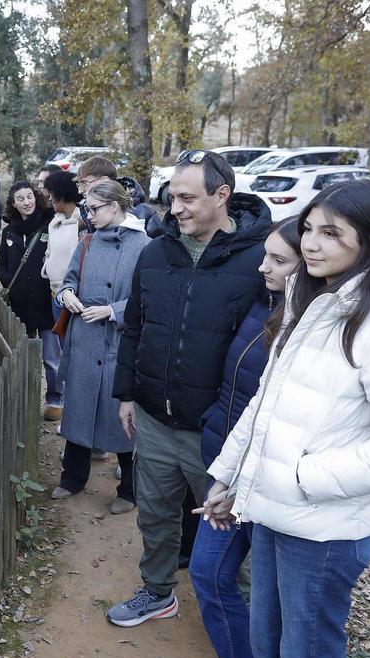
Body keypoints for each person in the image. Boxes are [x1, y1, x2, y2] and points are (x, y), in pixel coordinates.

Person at [199, 180, 370, 658]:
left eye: (331, 233)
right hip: (274, 510)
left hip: (324, 529)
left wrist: (301, 479)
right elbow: (266, 404)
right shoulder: (311, 301)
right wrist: (229, 474)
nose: (310, 243)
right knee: (265, 645)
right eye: (309, 228)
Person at [108, 150, 270, 627]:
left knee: (230, 527)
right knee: (155, 514)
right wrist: (125, 393)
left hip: (219, 431)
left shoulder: (261, 261)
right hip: (156, 419)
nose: (174, 208)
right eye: (171, 197)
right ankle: (158, 591)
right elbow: (134, 327)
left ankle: (244, 617)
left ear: (222, 195)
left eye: (186, 198)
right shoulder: (156, 252)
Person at [189, 217, 301, 658]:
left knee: (273, 607)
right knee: (207, 573)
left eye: (278, 260)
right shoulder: (265, 302)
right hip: (231, 467)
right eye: (264, 256)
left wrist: (245, 485)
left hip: (270, 485)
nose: (263, 268)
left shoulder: (310, 330)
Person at [50, 181, 148, 513]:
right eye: (87, 209)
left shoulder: (144, 245)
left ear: (116, 206)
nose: (89, 215)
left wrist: (112, 310)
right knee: (78, 409)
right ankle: (72, 478)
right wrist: (67, 296)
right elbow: (68, 280)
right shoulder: (87, 241)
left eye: (94, 209)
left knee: (120, 417)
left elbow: (146, 298)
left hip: (118, 342)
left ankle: (130, 491)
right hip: (84, 338)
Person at [0, 181, 58, 380]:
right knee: (26, 358)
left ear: (36, 197)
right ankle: (30, 396)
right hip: (20, 303)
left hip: (46, 302)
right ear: (13, 204)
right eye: (20, 199)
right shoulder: (9, 232)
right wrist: (11, 285)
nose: (26, 202)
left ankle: (55, 399)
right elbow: (1, 264)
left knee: (52, 358)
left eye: (29, 197)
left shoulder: (50, 226)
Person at [39, 171, 84, 422]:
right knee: (63, 355)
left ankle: (74, 411)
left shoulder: (83, 223)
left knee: (73, 355)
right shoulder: (54, 221)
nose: (51, 201)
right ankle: (67, 407)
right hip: (54, 292)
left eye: (53, 196)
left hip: (73, 297)